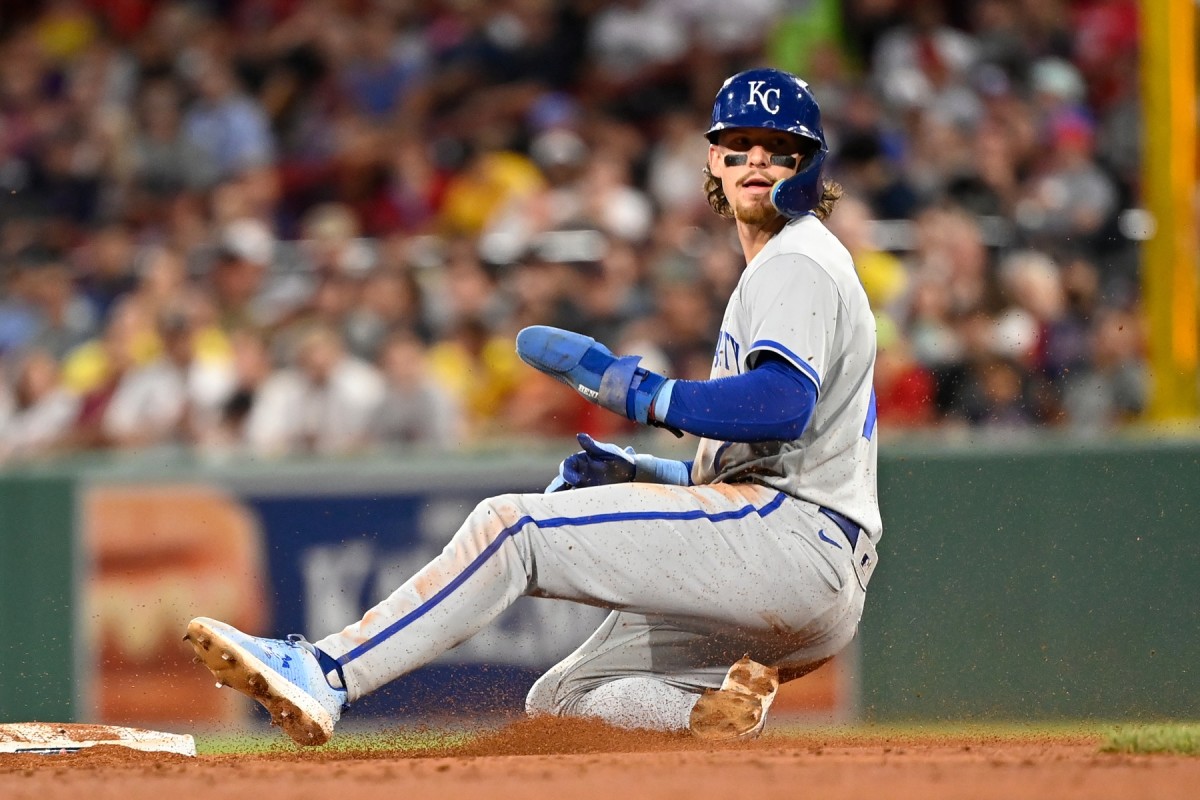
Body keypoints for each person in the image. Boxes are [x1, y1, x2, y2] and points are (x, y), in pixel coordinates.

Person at [185, 68, 881, 745]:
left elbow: (782, 405)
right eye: (741, 145)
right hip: (800, 563)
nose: (757, 160)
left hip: (793, 544)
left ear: (811, 164)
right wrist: (652, 474)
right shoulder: (787, 264)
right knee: (564, 701)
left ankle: (325, 672)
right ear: (714, 162)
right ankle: (704, 713)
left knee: (510, 528)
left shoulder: (797, 258)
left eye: (778, 148)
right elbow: (787, 453)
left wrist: (639, 392)